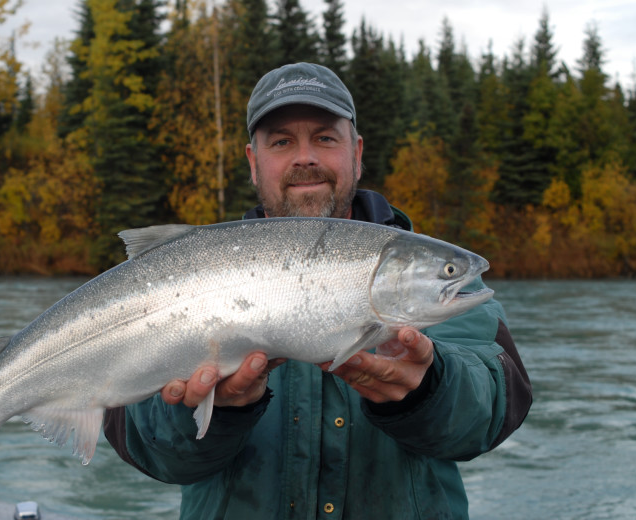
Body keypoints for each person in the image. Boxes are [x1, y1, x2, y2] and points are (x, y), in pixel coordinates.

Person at [105, 62, 532, 519]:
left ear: (357, 152)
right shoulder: (183, 277)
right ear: (253, 161)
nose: (304, 157)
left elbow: (493, 410)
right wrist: (218, 409)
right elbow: (151, 452)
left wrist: (428, 388)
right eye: (282, 141)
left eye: (325, 138)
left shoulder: (427, 276)